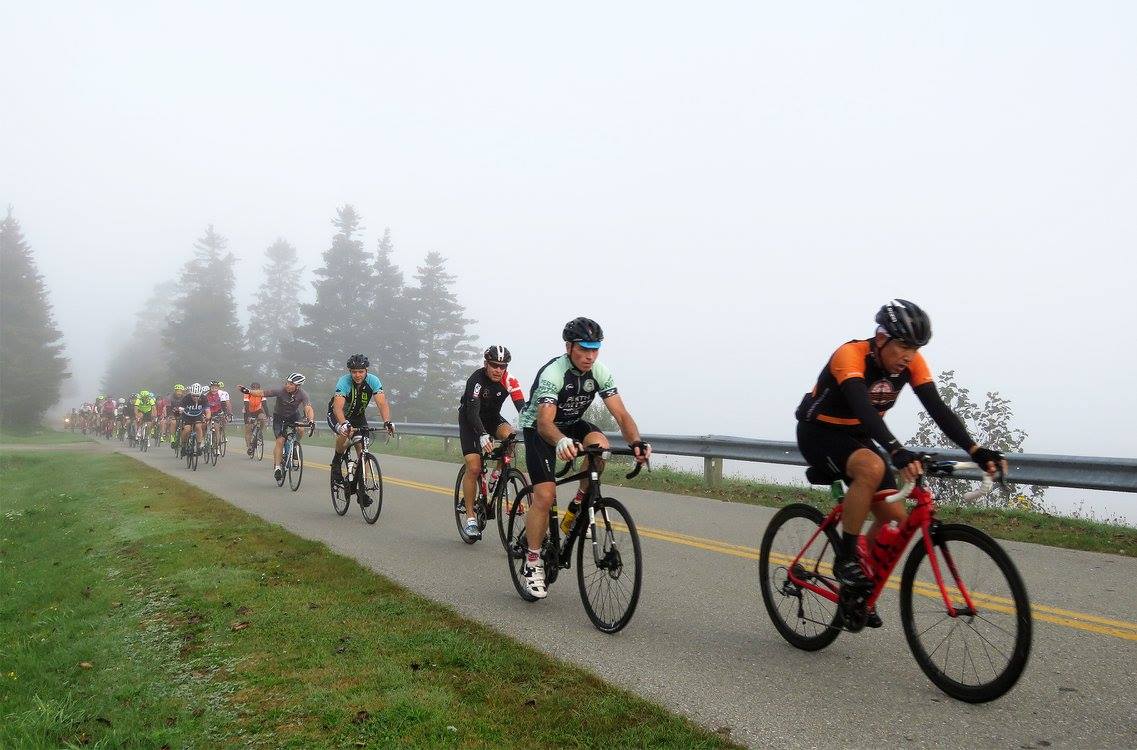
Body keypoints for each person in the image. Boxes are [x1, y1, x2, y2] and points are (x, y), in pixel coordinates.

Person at [795, 299, 1009, 624]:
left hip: (859, 437)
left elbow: (938, 409)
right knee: (871, 466)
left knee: (894, 519)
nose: (909, 355)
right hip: (818, 431)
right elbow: (865, 410)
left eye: (916, 347)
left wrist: (976, 450)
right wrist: (896, 451)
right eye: (903, 345)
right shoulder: (850, 356)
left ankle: (854, 590)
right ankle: (846, 560)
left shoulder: (913, 363)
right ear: (881, 338)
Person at [516, 317, 651, 599]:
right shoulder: (553, 373)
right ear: (569, 347)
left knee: (599, 447)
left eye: (595, 349)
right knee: (544, 494)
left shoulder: (599, 371)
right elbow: (544, 423)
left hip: (573, 422)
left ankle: (578, 504)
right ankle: (532, 562)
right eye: (583, 349)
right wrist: (561, 441)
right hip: (540, 428)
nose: (590, 356)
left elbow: (621, 414)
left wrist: (636, 442)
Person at [456, 345, 526, 539]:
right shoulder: (476, 380)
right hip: (471, 420)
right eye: (494, 365)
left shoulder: (509, 380)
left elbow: (522, 408)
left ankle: (497, 476)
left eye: (502, 366)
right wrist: (482, 434)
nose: (498, 370)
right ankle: (470, 518)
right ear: (486, 364)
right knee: (474, 467)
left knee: (510, 436)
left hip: (492, 418)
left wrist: (534, 428)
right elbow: (472, 411)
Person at [327, 355, 395, 507]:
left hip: (358, 417)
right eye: (354, 372)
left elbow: (382, 403)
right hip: (338, 415)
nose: (357, 375)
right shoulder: (344, 381)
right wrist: (343, 423)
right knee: (345, 433)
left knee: (362, 452)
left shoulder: (373, 381)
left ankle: (361, 490)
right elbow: (338, 407)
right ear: (350, 372)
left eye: (361, 372)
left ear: (366, 371)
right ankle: (337, 461)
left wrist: (387, 421)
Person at [239, 373, 315, 482]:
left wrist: (311, 420)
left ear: (297, 386)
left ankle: (294, 445)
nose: (287, 385)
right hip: (279, 417)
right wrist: (248, 391)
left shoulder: (303, 394)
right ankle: (278, 467)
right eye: (287, 383)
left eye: (291, 384)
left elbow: (308, 408)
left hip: (293, 415)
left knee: (301, 429)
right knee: (280, 441)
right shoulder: (281, 391)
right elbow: (263, 392)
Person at [177, 383, 211, 455]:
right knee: (187, 429)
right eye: (193, 396)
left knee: (198, 427)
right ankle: (183, 446)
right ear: (191, 394)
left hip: (198, 415)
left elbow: (208, 410)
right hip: (187, 415)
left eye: (197, 396)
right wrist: (179, 412)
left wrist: (208, 417)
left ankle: (199, 447)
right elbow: (180, 409)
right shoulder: (186, 398)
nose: (195, 397)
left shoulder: (204, 398)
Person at [243, 381, 267, 455]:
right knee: (248, 429)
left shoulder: (261, 394)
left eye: (257, 389)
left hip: (257, 410)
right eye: (254, 389)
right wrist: (249, 416)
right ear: (251, 389)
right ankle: (249, 447)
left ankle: (259, 432)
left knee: (262, 418)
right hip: (248, 411)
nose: (255, 390)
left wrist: (268, 415)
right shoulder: (247, 394)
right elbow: (246, 406)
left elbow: (265, 405)